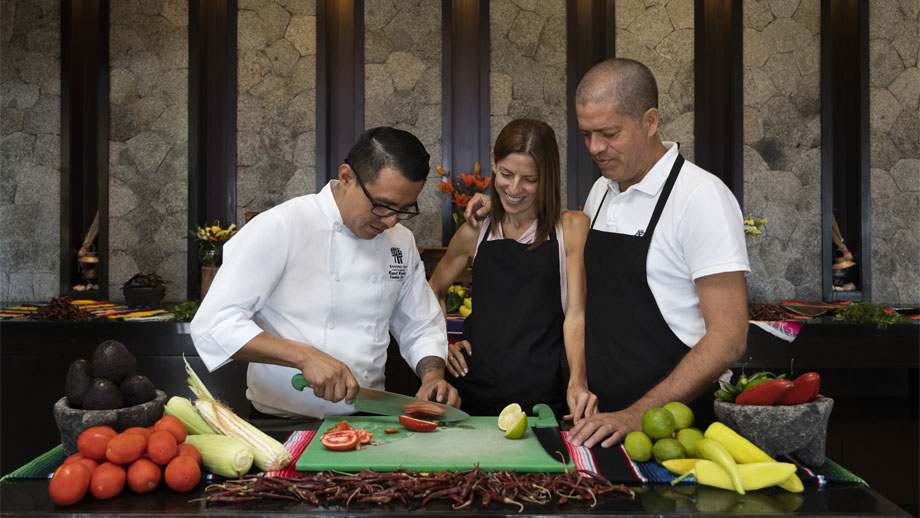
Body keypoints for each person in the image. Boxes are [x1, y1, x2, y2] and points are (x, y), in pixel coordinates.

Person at [466, 58, 749, 447]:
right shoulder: (602, 191)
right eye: (586, 134)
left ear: (650, 121)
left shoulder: (701, 197)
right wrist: (498, 204)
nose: (595, 148)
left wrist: (637, 415)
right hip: (598, 422)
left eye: (609, 133)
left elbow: (729, 338)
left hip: (673, 428)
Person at [191, 127, 460, 418]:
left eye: (404, 209)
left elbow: (419, 324)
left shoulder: (400, 241)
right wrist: (304, 356)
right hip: (283, 422)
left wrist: (432, 378)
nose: (391, 221)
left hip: (367, 419)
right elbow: (214, 324)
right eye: (383, 206)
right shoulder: (282, 225)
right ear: (346, 177)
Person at [429, 119, 597, 421]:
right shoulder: (475, 230)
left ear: (548, 176)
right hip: (470, 391)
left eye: (529, 179)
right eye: (506, 174)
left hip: (541, 396)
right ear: (494, 162)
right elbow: (433, 290)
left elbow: (576, 315)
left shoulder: (571, 228)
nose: (515, 188)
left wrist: (578, 381)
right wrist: (441, 347)